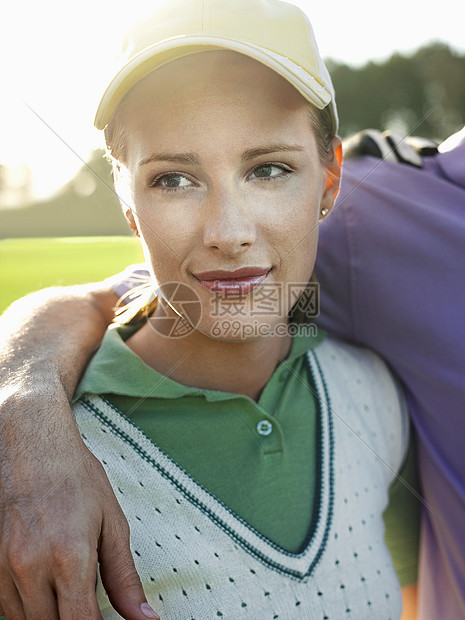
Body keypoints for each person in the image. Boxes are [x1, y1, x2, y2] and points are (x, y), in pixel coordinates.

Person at [0, 0, 421, 619]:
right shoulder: (30, 481)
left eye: (270, 169)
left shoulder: (375, 394)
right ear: (126, 197)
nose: (229, 231)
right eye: (174, 179)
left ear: (329, 179)